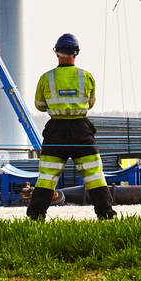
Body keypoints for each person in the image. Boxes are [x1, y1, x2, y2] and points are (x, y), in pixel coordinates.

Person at [26, 33, 116, 221]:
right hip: (81, 130)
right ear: (76, 53)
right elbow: (90, 103)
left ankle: (36, 216)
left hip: (55, 131)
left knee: (47, 175)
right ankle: (106, 214)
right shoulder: (87, 77)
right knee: (94, 174)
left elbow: (39, 105)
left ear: (57, 52)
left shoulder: (46, 78)